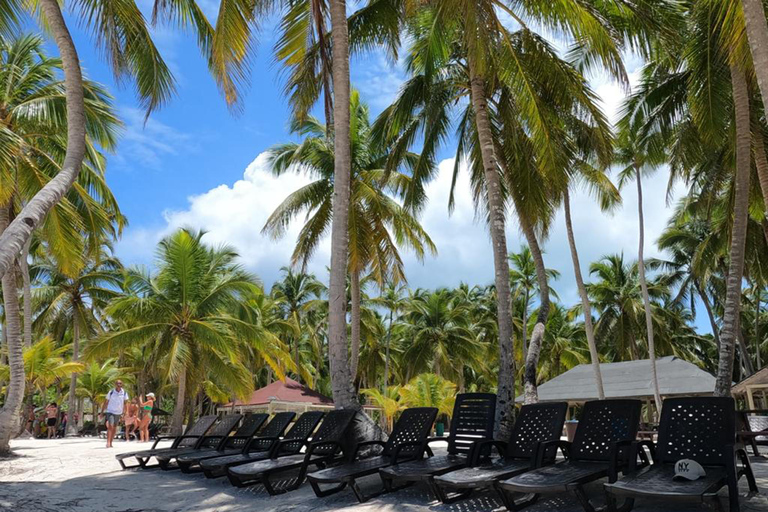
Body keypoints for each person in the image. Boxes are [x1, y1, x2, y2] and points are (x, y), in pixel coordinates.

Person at [101, 380, 129, 448]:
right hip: (110, 411)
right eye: (117, 383)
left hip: (118, 412)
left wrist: (126, 412)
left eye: (120, 383)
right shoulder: (111, 392)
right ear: (115, 384)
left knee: (114, 427)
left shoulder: (124, 393)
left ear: (122, 384)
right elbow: (106, 402)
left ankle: (111, 442)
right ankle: (108, 442)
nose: (119, 384)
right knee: (110, 426)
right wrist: (102, 412)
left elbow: (125, 403)